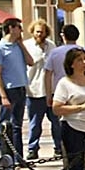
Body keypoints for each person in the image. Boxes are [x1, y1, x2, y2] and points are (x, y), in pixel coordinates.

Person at [0, 18, 35, 162]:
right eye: (19, 27)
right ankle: (6, 156)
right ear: (11, 28)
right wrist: (3, 95)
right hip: (9, 90)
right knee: (5, 124)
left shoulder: (18, 46)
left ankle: (18, 157)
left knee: (17, 125)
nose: (21, 30)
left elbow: (31, 62)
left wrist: (22, 45)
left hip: (21, 88)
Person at [24, 19, 58, 160]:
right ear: (32, 32)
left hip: (52, 90)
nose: (39, 34)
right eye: (37, 31)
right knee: (34, 123)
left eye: (42, 32)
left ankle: (58, 147)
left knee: (56, 122)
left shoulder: (52, 46)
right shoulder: (26, 46)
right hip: (34, 90)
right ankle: (33, 148)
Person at [45, 24, 85, 91]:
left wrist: (48, 95)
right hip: (83, 90)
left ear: (63, 36)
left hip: (60, 92)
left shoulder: (54, 53)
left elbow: (48, 75)